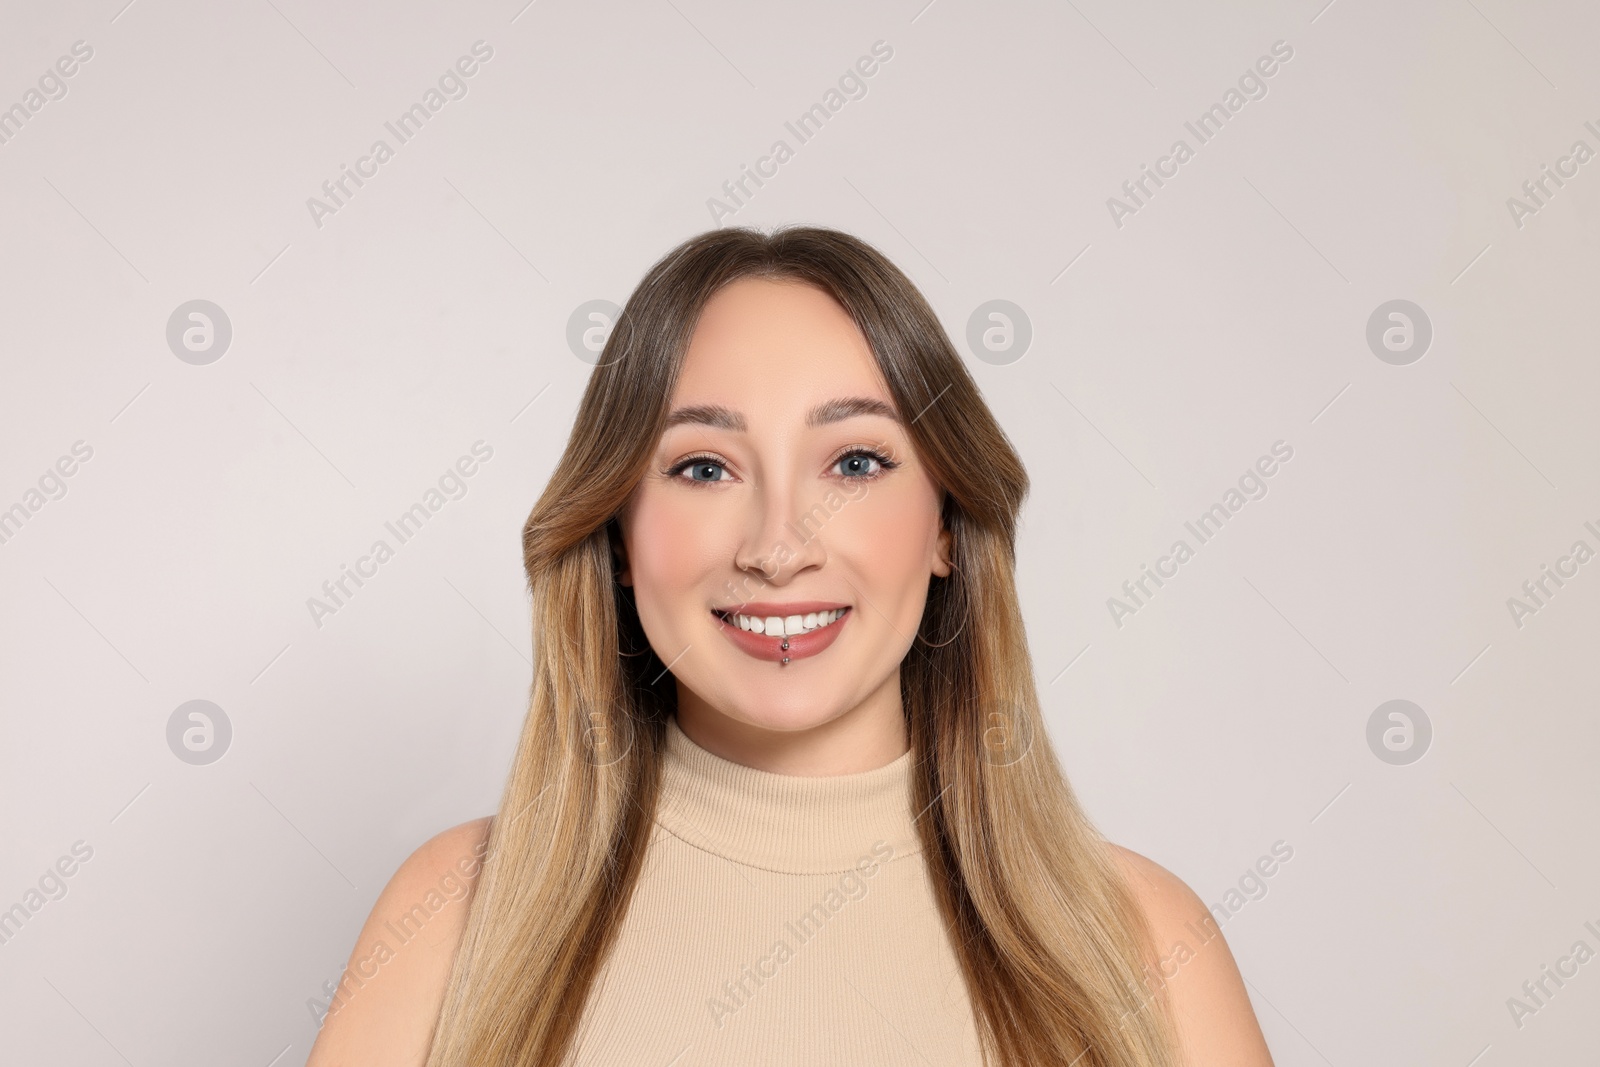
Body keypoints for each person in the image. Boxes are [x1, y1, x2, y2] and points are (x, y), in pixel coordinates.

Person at [305, 225, 1275, 1067]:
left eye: (855, 460)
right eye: (701, 466)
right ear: (618, 539)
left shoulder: (1145, 937)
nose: (777, 545)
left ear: (945, 522)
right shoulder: (451, 914)